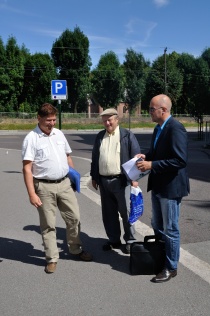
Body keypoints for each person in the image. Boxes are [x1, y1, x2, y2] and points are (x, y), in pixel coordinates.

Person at [22, 103, 92, 274]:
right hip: (44, 187)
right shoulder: (31, 138)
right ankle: (52, 258)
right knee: (48, 225)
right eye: (48, 120)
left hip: (64, 184)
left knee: (74, 217)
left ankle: (75, 248)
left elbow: (67, 156)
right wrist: (32, 193)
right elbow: (27, 168)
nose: (52, 123)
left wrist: (73, 177)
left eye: (54, 119)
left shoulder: (59, 134)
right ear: (39, 118)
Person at [136, 94, 190, 283]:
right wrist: (147, 156)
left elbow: (179, 160)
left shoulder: (176, 128)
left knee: (171, 228)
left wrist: (152, 165)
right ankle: (161, 257)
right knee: (157, 225)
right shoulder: (158, 128)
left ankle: (171, 266)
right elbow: (158, 153)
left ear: (163, 110)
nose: (148, 112)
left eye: (151, 109)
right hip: (159, 185)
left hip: (171, 187)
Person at [90, 108, 141, 253]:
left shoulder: (127, 135)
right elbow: (95, 158)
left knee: (126, 213)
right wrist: (94, 177)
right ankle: (114, 240)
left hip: (122, 181)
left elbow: (136, 158)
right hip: (104, 181)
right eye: (104, 120)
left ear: (116, 119)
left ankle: (130, 241)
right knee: (108, 213)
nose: (107, 123)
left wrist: (134, 179)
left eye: (109, 120)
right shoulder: (100, 136)